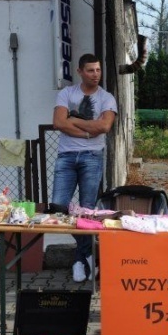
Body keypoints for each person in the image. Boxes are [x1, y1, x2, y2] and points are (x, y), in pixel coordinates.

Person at [52, 54, 118, 282]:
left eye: (98, 70)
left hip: (92, 156)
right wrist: (90, 130)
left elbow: (105, 125)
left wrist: (75, 120)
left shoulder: (107, 98)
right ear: (80, 71)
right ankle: (88, 254)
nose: (96, 74)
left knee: (88, 210)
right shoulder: (67, 93)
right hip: (66, 156)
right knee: (59, 207)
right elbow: (59, 122)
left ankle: (79, 260)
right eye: (90, 70)